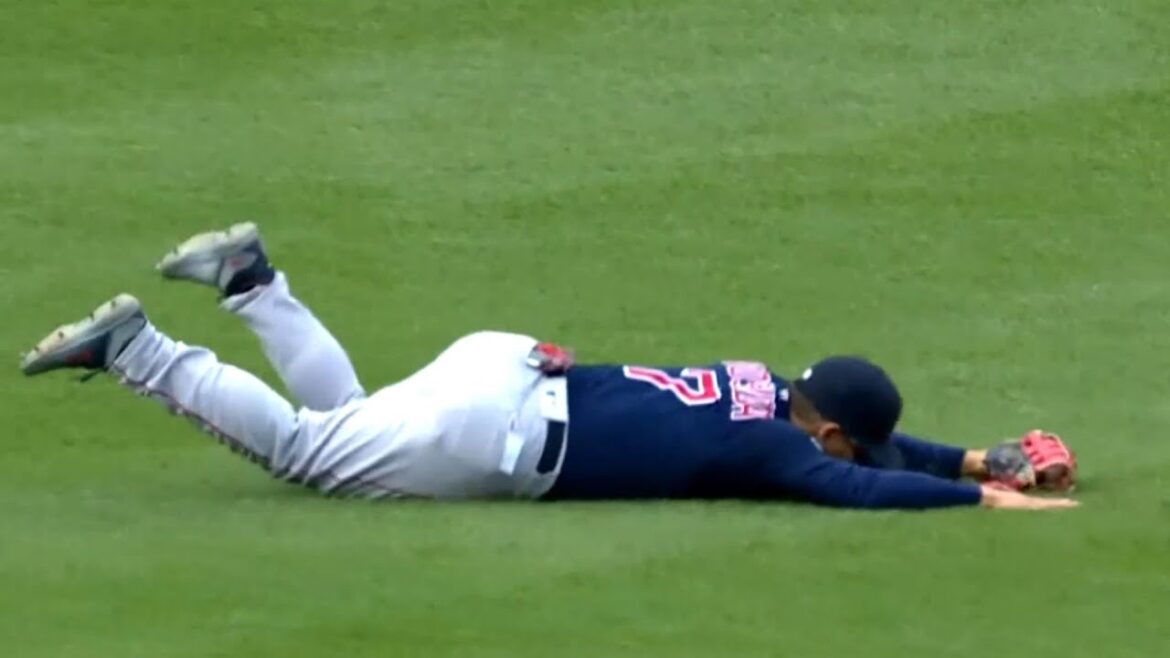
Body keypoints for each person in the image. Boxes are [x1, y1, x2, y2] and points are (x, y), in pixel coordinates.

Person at [20, 223, 1078, 511]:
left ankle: (250, 280)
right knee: (307, 451)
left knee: (355, 415)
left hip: (502, 366)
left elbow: (870, 449)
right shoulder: (780, 452)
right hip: (495, 436)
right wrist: (981, 501)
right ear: (830, 431)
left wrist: (973, 456)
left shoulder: (765, 387)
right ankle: (142, 349)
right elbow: (859, 486)